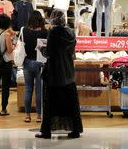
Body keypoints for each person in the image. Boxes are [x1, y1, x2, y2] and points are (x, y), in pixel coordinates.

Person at [37, 10, 83, 139]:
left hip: (54, 72)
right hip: (68, 71)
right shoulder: (71, 33)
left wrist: (41, 48)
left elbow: (49, 53)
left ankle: (46, 131)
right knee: (71, 103)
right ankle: (75, 130)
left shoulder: (53, 33)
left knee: (50, 103)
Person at [21, 11, 48, 123]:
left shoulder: (24, 30)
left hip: (27, 62)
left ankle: (27, 116)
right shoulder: (45, 32)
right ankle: (39, 116)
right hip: (40, 63)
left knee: (28, 89)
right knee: (39, 90)